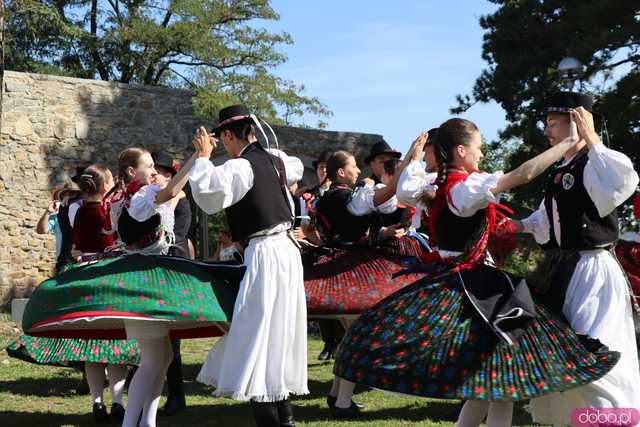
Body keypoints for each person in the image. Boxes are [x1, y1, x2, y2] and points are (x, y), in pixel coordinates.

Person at [332, 117, 621, 427]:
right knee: (502, 376)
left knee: (495, 378)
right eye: (479, 149)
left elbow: (403, 189)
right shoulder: (466, 188)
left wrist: (413, 159)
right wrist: (567, 143)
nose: (482, 155)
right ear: (461, 150)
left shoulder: (437, 184)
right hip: (479, 291)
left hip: (456, 282)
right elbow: (522, 174)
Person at [22, 146, 238, 427]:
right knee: (152, 362)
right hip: (142, 281)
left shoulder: (125, 196)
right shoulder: (141, 195)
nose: (153, 171)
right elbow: (170, 193)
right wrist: (197, 159)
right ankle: (131, 424)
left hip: (147, 274)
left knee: (163, 358)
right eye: (149, 166)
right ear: (131, 172)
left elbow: (168, 197)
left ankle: (147, 422)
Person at [511, 92, 640, 424]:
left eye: (554, 123)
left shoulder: (597, 161)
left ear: (578, 123)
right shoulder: (561, 169)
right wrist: (517, 225)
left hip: (593, 271)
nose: (547, 130)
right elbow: (546, 220)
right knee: (563, 351)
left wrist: (593, 138)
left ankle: (614, 418)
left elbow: (621, 183)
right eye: (547, 123)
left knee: (591, 349)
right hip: (563, 269)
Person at [190, 104, 307, 427]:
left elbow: (209, 195)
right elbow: (294, 170)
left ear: (228, 134)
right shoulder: (277, 159)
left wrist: (202, 157)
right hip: (286, 251)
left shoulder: (241, 167)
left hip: (267, 253)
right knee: (276, 332)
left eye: (222, 138)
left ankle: (272, 420)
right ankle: (286, 420)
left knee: (257, 333)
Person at [151, 151, 190, 417]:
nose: (152, 176)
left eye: (157, 173)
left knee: (170, 337)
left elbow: (166, 217)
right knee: (155, 335)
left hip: (173, 267)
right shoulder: (159, 195)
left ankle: (176, 395)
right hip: (158, 267)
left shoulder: (177, 196)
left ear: (168, 176)